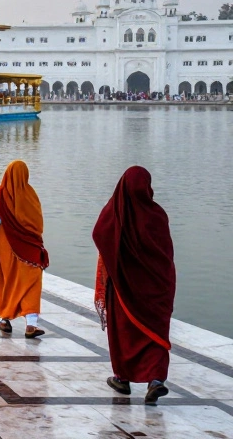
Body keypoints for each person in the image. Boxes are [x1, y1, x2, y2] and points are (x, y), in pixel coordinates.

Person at [93, 166, 175, 405]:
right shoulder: (157, 215)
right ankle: (155, 380)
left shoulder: (114, 213)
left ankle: (122, 378)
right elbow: (166, 254)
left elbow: (99, 233)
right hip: (156, 288)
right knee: (154, 333)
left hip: (122, 287)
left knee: (124, 332)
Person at [0, 160, 49, 338]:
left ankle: (6, 319)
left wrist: (1, 218)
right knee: (31, 281)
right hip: (28, 248)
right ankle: (30, 324)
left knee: (8, 280)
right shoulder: (30, 195)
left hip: (5, 247)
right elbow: (38, 224)